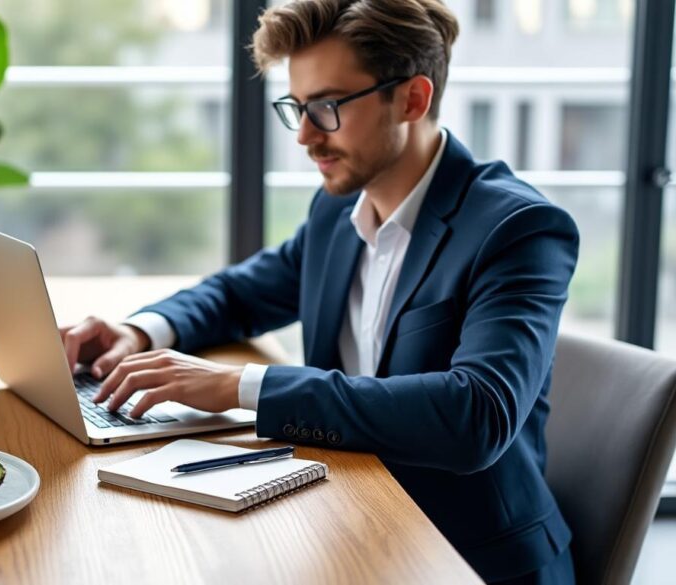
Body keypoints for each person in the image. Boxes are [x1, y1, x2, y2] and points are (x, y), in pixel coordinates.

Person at [59, 1, 579, 582]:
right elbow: (238, 295)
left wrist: (239, 386)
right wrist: (139, 331)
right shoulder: (338, 210)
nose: (306, 136)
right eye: (298, 108)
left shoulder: (518, 229)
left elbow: (475, 415)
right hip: (349, 518)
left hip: (464, 558)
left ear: (412, 98)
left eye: (328, 107)